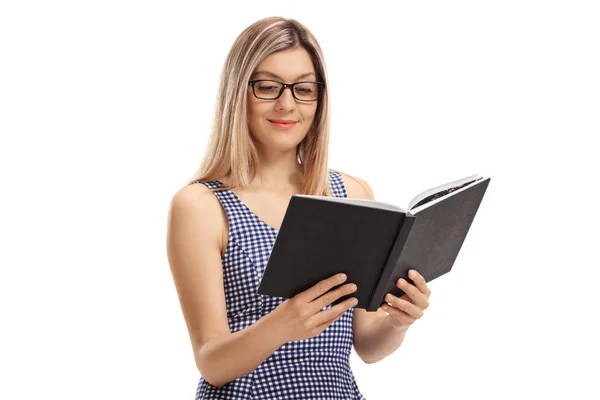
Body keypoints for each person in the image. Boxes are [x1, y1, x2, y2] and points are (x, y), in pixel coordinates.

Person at [166, 16, 432, 400]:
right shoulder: (201, 206)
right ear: (239, 92)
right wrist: (284, 323)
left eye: (304, 89)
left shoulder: (352, 194)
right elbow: (212, 362)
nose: (287, 104)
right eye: (268, 87)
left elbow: (367, 347)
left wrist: (399, 321)